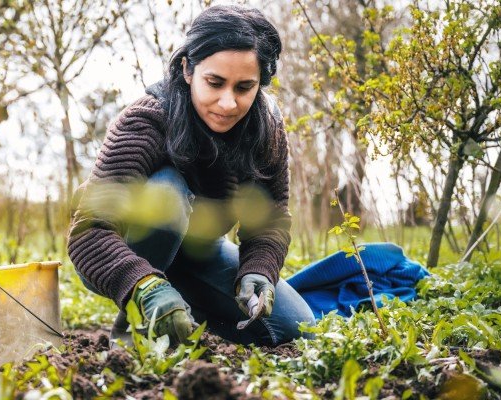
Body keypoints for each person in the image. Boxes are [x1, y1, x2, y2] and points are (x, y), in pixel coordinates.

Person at [67, 4, 315, 347]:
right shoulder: (146, 121)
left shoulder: (266, 129)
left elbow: (270, 218)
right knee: (167, 193)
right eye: (214, 83)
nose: (227, 103)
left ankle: (181, 317)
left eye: (244, 87)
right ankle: (134, 326)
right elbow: (88, 234)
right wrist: (144, 285)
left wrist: (259, 269)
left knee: (293, 326)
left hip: (200, 252)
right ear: (187, 69)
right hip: (118, 248)